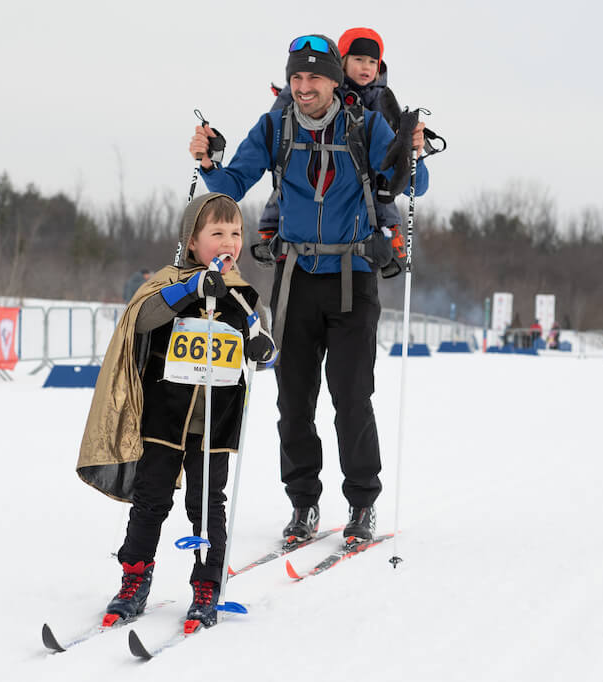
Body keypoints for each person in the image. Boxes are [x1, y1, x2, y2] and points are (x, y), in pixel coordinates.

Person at [189, 34, 429, 544]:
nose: (303, 87)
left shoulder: (364, 124)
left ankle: (362, 503)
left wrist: (414, 150)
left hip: (354, 279)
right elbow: (233, 184)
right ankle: (304, 504)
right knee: (293, 401)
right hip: (295, 280)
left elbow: (413, 184)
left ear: (334, 80)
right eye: (296, 77)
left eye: (314, 77)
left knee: (351, 398)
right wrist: (209, 163)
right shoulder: (275, 125)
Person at [76, 193, 275, 631]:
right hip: (163, 418)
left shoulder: (243, 297)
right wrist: (188, 289)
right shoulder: (169, 283)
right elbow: (142, 319)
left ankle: (207, 584)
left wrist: (263, 349)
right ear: (192, 240)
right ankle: (134, 577)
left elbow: (262, 344)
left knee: (208, 506)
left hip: (214, 423)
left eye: (236, 233)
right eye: (217, 233)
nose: (229, 242)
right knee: (151, 500)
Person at [258, 28, 407, 274]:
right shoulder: (324, 85)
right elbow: (283, 109)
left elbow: (391, 129)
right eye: (358, 60)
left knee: (380, 190)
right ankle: (269, 230)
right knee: (290, 181)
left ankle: (392, 236)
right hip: (321, 152)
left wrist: (404, 138)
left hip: (366, 162)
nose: (366, 67)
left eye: (372, 62)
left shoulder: (380, 96)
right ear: (342, 61)